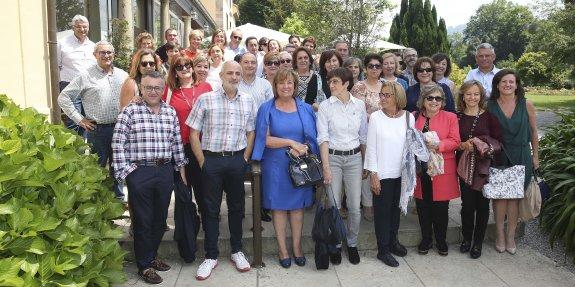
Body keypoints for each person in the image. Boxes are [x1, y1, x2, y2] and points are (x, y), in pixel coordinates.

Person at [111, 71, 186, 284]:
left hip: (164, 172)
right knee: (143, 221)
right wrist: (126, 174)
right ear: (141, 88)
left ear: (163, 89)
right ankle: (144, 266)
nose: (153, 91)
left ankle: (151, 256)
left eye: (157, 88)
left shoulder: (170, 112)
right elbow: (118, 143)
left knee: (159, 219)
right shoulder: (130, 112)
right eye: (148, 87)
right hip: (139, 172)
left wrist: (180, 167)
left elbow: (175, 142)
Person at [186, 61, 256, 280]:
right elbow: (193, 133)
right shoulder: (205, 99)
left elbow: (251, 132)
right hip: (211, 162)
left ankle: (237, 251)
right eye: (230, 73)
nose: (234, 76)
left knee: (237, 208)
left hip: (236, 160)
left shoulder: (248, 100)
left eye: (237, 73)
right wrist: (202, 161)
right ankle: (211, 255)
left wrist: (244, 157)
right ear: (221, 74)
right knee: (210, 209)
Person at [252, 68, 318, 268]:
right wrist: (291, 142)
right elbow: (265, 138)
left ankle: (297, 247)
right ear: (275, 86)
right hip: (276, 166)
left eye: (290, 83)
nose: (286, 86)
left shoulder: (305, 108)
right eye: (281, 83)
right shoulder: (267, 108)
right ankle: (282, 250)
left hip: (300, 164)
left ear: (295, 86)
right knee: (279, 209)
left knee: (297, 208)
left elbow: (312, 136)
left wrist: (304, 147)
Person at [58, 41, 129, 199]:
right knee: (96, 168)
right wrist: (79, 119)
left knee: (118, 167)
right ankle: (97, 203)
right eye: (102, 52)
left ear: (114, 54)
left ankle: (118, 201)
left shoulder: (123, 75)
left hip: (120, 129)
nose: (106, 55)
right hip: (97, 130)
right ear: (95, 55)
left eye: (109, 52)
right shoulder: (85, 76)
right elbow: (63, 97)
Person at [317, 67, 368, 265]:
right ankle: (336, 244)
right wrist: (326, 167)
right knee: (334, 205)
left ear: (347, 84)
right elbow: (323, 138)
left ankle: (352, 243)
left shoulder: (360, 106)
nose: (331, 85)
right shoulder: (325, 106)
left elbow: (363, 136)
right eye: (330, 81)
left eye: (335, 82)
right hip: (333, 159)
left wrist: (366, 163)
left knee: (355, 207)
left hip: (355, 159)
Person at [487, 69, 539, 255]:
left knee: (515, 198)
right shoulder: (490, 105)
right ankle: (499, 234)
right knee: (500, 197)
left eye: (511, 82)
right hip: (500, 155)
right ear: (497, 85)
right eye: (504, 81)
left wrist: (535, 157)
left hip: (521, 154)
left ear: (517, 85)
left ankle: (511, 236)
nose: (508, 85)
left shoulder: (527, 104)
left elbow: (534, 132)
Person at [364, 81, 412, 267]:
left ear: (397, 97)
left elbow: (409, 147)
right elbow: (372, 148)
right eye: (381, 94)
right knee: (382, 213)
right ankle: (382, 250)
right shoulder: (375, 117)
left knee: (395, 211)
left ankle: (393, 242)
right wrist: (373, 175)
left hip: (401, 174)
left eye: (386, 95)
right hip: (382, 174)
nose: (382, 98)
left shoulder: (409, 117)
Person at [162, 55, 212, 224]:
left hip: (202, 145)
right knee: (183, 188)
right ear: (174, 72)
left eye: (187, 65)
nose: (184, 68)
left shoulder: (206, 87)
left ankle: (207, 222)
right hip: (179, 146)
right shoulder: (169, 91)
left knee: (204, 188)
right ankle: (187, 226)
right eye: (179, 66)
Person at [456, 80, 502, 259]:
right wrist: (462, 145)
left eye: (475, 94)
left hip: (483, 167)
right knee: (467, 205)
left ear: (481, 96)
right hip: (463, 166)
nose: (472, 97)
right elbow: (454, 140)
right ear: (463, 96)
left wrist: (483, 144)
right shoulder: (457, 116)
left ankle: (478, 243)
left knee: (482, 205)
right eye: (468, 94)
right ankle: (466, 239)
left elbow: (499, 142)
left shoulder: (489, 116)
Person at [413, 84, 461, 256]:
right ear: (423, 100)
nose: (434, 101)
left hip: (442, 169)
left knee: (441, 208)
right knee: (422, 206)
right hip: (420, 169)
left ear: (443, 101)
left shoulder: (450, 117)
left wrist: (438, 145)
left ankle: (441, 240)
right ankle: (426, 239)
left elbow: (455, 140)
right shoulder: (414, 116)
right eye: (430, 98)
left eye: (438, 98)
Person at [350, 53, 384, 222]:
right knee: (367, 167)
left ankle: (380, 202)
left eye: (378, 66)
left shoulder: (387, 86)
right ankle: (368, 204)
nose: (375, 69)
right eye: (371, 66)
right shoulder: (359, 87)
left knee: (381, 167)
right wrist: (377, 117)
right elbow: (358, 112)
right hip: (364, 133)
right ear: (365, 68)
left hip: (384, 134)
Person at [57, 14, 96, 136]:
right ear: (73, 27)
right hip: (70, 86)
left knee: (87, 119)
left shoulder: (93, 46)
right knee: (74, 120)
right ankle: (72, 150)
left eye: (85, 27)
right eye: (79, 27)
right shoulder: (62, 44)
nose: (82, 29)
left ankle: (84, 149)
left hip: (88, 87)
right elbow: (56, 66)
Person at [292, 47, 324, 111]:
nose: (303, 60)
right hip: (293, 111)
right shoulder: (290, 76)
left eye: (305, 58)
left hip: (313, 113)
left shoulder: (318, 77)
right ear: (295, 61)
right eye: (300, 58)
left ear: (310, 61)